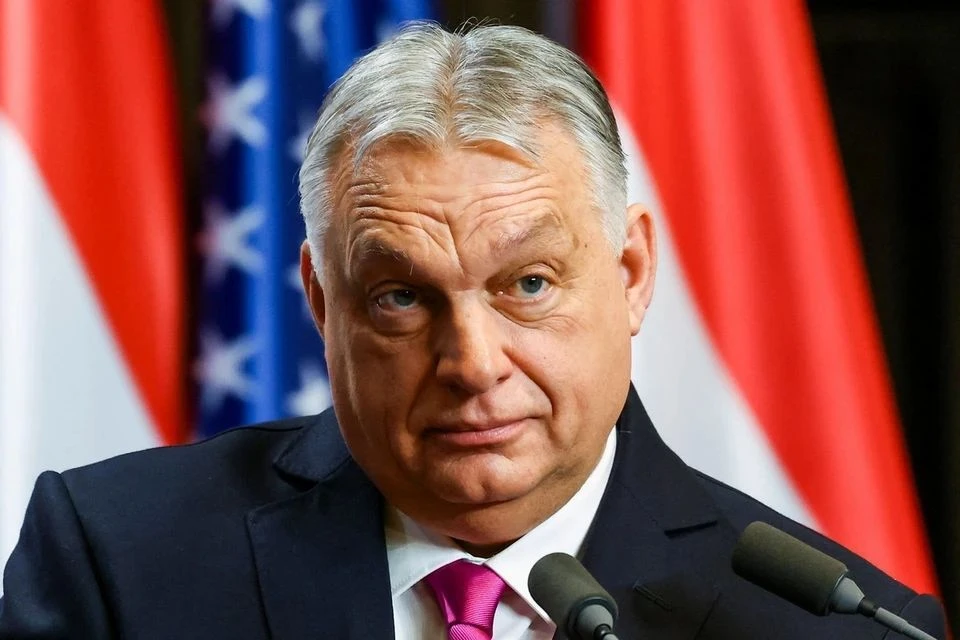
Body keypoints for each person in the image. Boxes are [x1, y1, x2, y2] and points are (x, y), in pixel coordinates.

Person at [0, 22, 946, 640]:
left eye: (528, 284)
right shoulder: (117, 565)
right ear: (322, 302)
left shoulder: (830, 624)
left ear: (630, 274)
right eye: (401, 299)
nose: (473, 363)